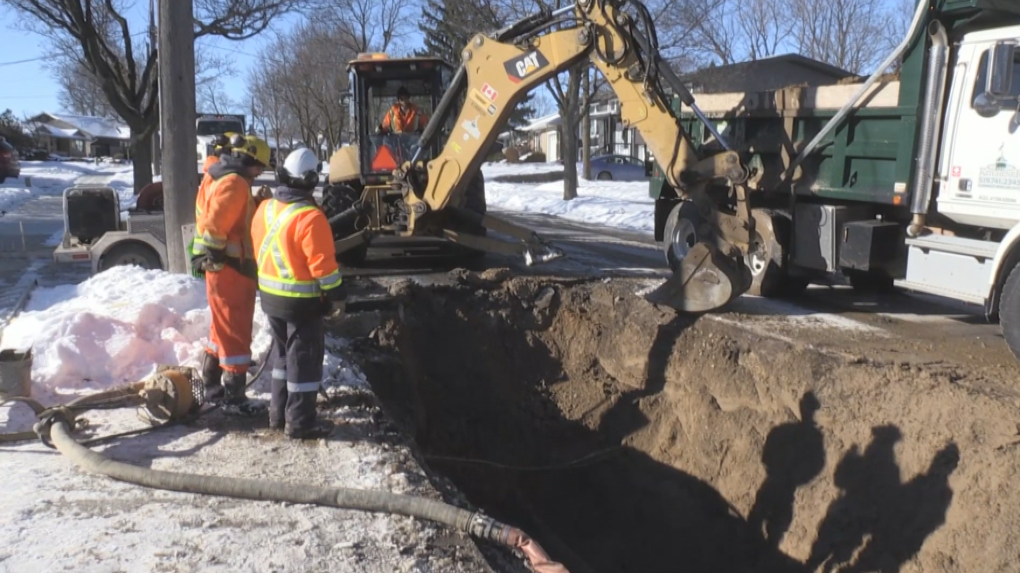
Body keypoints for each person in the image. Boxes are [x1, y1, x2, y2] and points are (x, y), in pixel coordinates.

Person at [251, 147, 346, 439]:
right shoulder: (310, 217)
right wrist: (336, 296)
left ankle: (277, 416)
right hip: (302, 303)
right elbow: (324, 268)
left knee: (282, 358)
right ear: (311, 179)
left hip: (270, 299)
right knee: (303, 362)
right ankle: (301, 423)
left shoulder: (265, 208)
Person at [192, 134, 271, 416]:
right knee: (236, 330)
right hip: (231, 268)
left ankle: (211, 385)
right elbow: (215, 224)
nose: (261, 172)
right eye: (259, 166)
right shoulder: (235, 183)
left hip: (222, 268)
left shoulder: (219, 178)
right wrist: (215, 256)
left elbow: (221, 216)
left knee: (222, 328)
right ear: (246, 159)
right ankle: (234, 398)